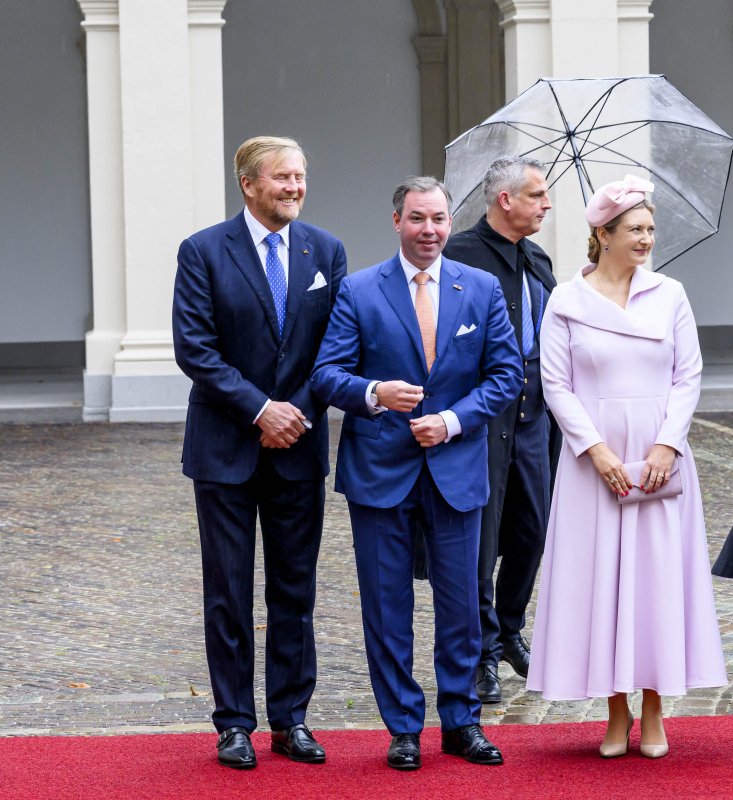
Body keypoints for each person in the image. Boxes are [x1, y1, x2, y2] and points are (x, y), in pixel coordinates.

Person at [311, 177, 522, 771]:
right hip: (380, 472)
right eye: (418, 219)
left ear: (450, 222)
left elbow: (506, 376)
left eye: (439, 219)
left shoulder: (478, 288)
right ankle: (403, 725)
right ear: (396, 221)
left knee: (460, 605)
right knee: (386, 606)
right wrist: (375, 392)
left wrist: (453, 421)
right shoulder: (358, 290)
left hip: (455, 468)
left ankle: (461, 722)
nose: (429, 230)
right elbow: (326, 374)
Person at [527, 175, 727, 760]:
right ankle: (615, 710)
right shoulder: (566, 300)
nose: (647, 238)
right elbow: (555, 384)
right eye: (635, 229)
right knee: (602, 582)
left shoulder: (671, 294)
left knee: (655, 580)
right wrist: (597, 451)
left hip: (660, 456)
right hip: (594, 461)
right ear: (603, 234)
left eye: (650, 229)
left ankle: (655, 707)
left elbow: (688, 376)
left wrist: (668, 445)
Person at [172, 135, 347, 769]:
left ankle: (291, 719)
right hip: (225, 450)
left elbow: (334, 347)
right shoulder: (203, 252)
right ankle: (234, 724)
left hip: (296, 447)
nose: (295, 188)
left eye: (300, 176)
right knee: (228, 590)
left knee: (294, 589)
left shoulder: (324, 251)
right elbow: (196, 349)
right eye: (282, 178)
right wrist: (258, 409)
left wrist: (291, 413)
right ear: (248, 184)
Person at [442, 156, 557, 704]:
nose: (547, 204)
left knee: (533, 531)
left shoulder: (538, 258)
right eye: (537, 195)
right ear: (505, 200)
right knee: (481, 541)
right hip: (483, 420)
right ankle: (483, 651)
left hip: (535, 418)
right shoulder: (459, 254)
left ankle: (509, 627)